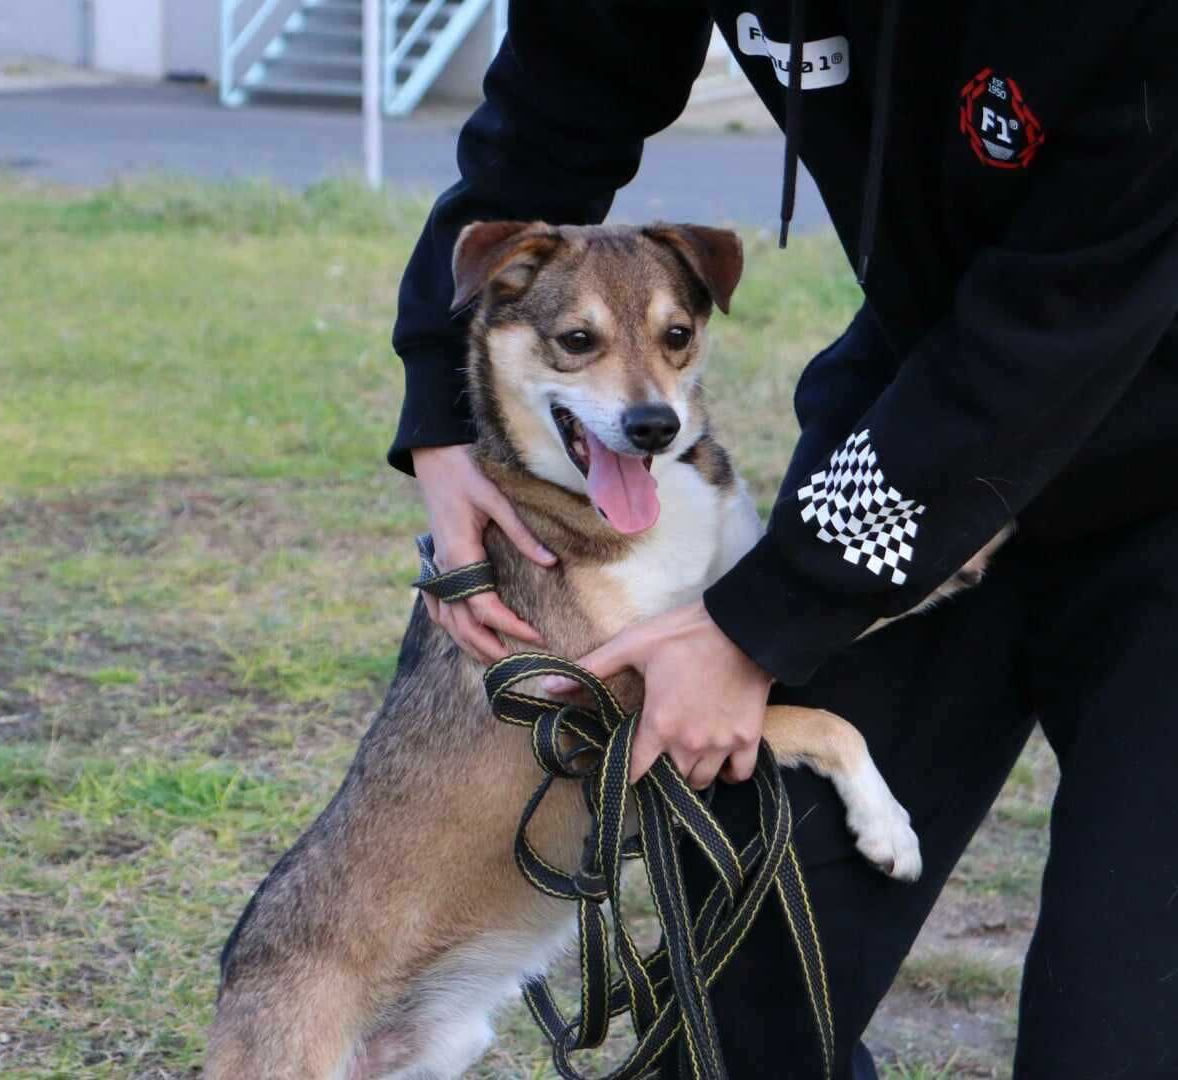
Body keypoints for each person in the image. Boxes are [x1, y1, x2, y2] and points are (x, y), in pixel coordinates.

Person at [388, 4, 1178, 1076]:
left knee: (1114, 1036)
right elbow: (547, 119)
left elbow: (1046, 334)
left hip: (1124, 459)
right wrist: (444, 417)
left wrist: (757, 622)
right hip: (913, 404)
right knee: (736, 999)